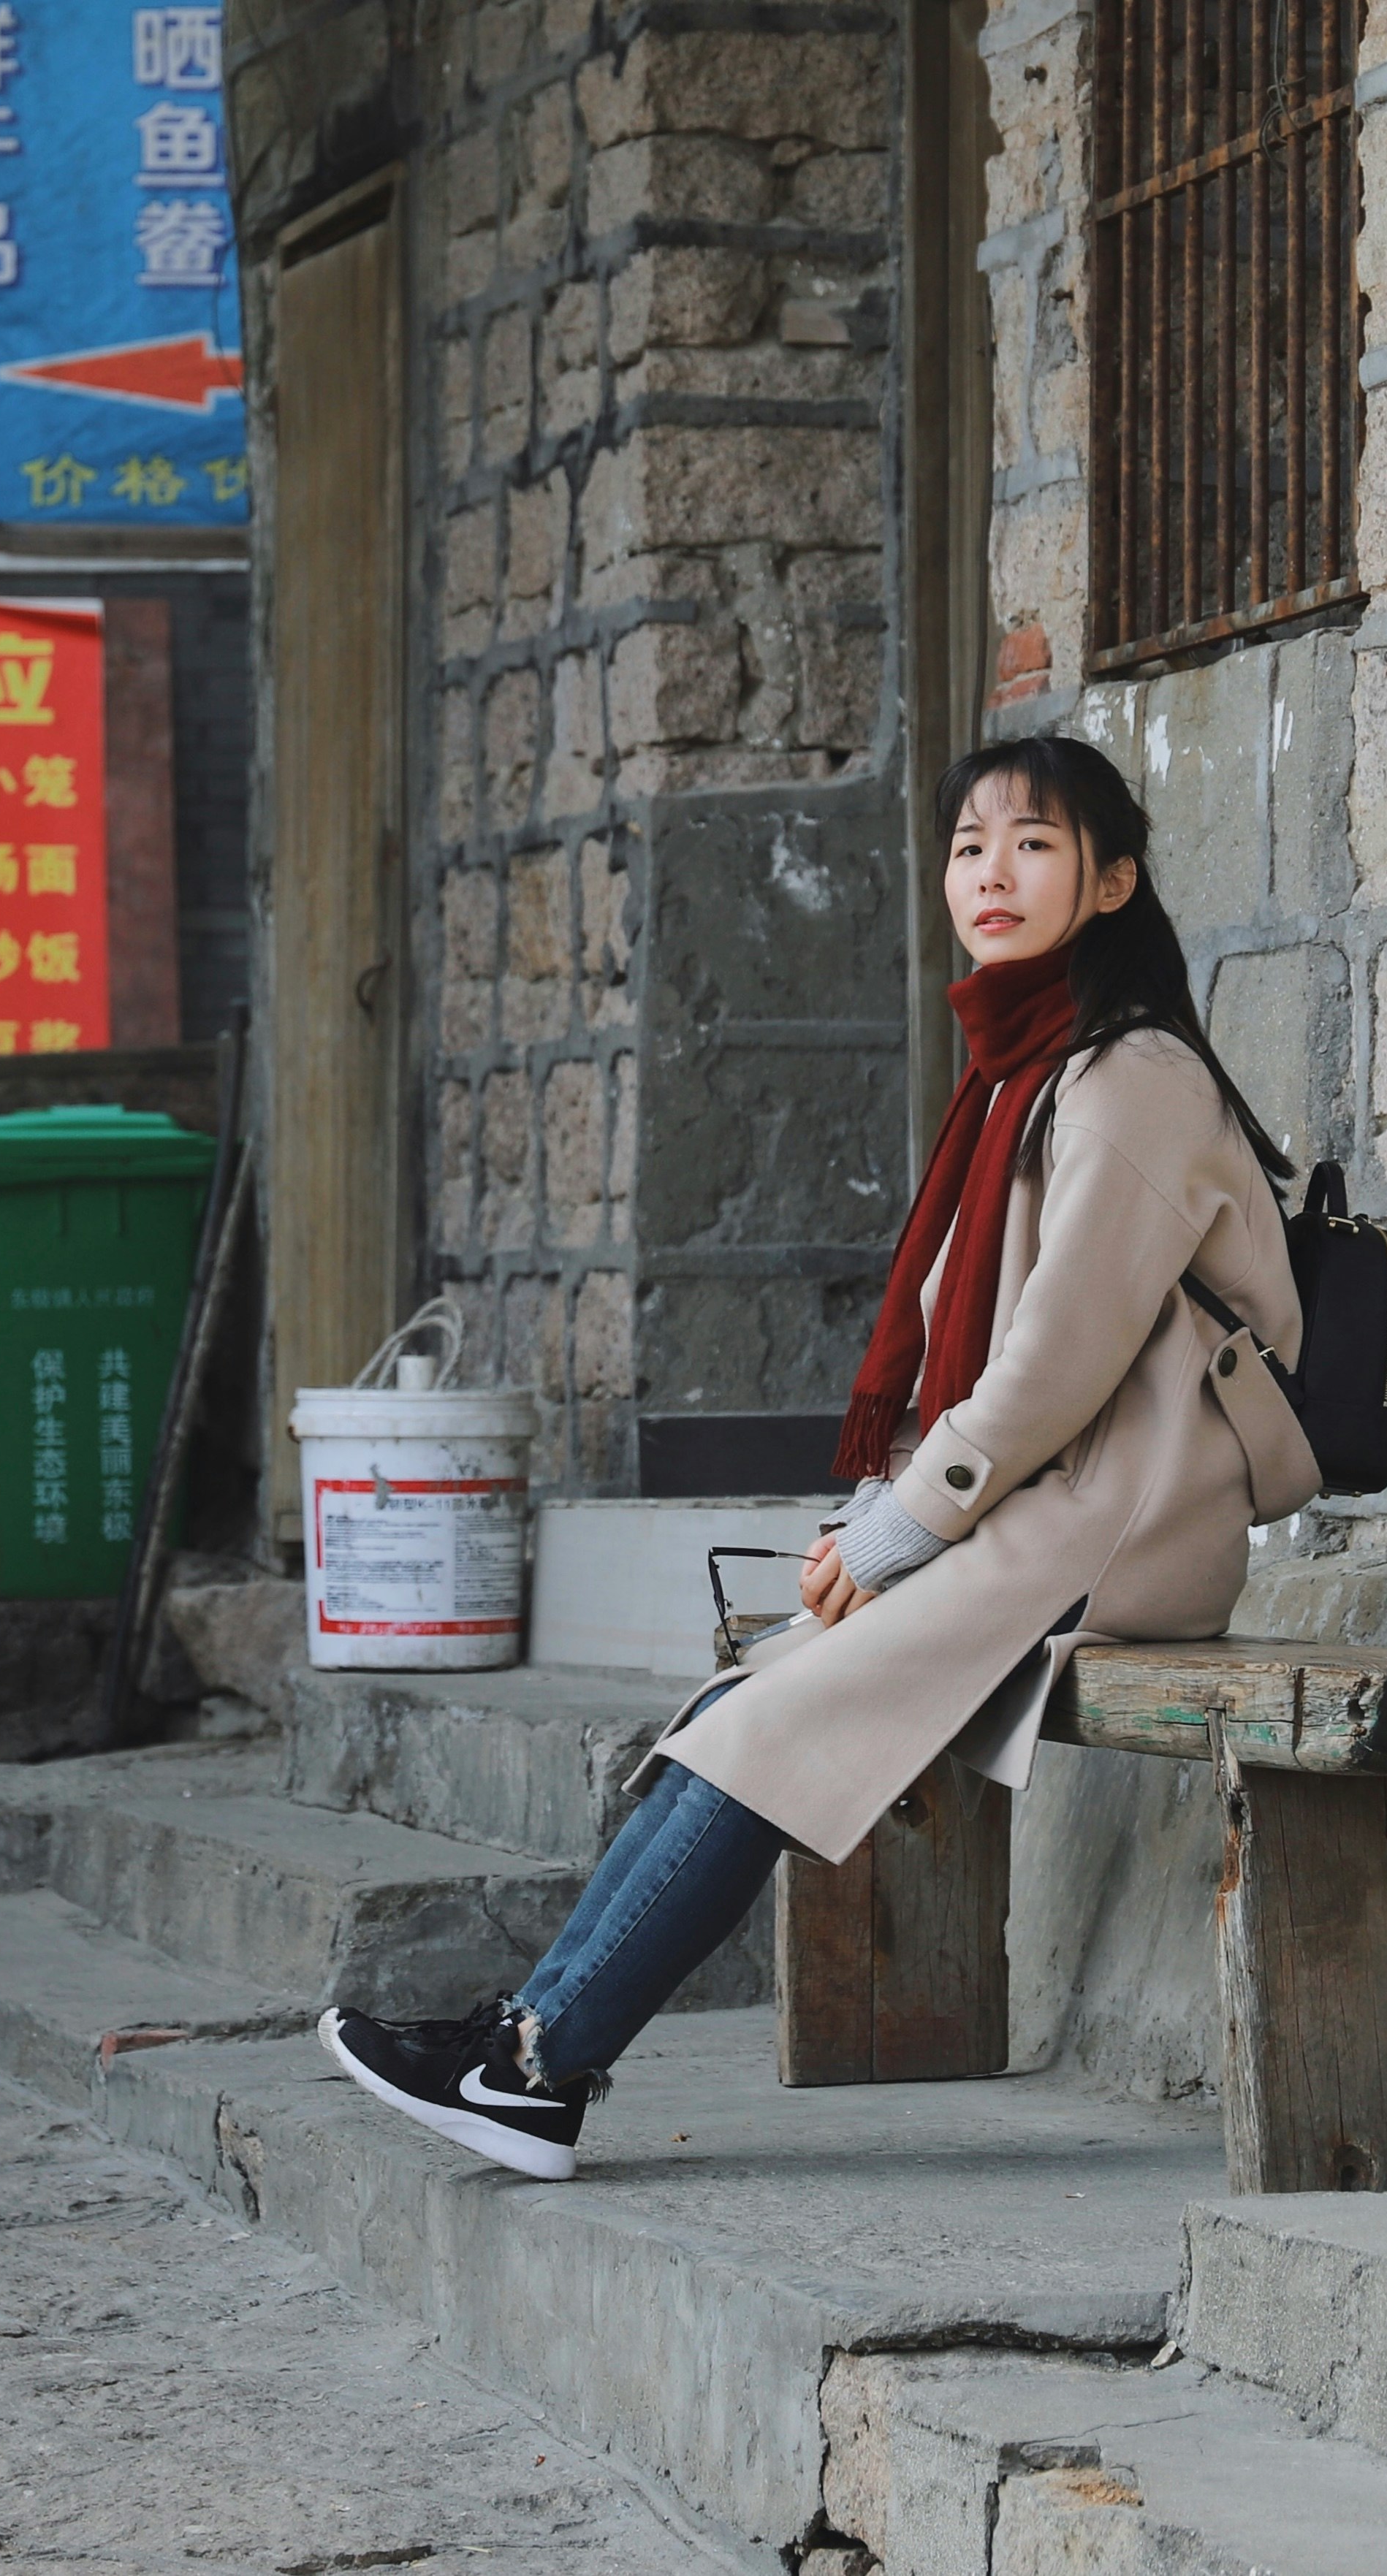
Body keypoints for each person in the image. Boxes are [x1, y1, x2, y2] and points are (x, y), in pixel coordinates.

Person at [316, 734, 1322, 2180]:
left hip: (1121, 1519)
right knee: (750, 1695)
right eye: (968, 845)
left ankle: (536, 2061)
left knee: (771, 1719)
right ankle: (527, 2047)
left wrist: (895, 1529)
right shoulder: (1018, 1072)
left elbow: (1054, 1360)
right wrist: (887, 1513)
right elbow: (974, 1361)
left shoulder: (1130, 1076)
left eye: (1033, 845)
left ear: (1110, 879)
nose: (990, 872)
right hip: (1044, 1508)